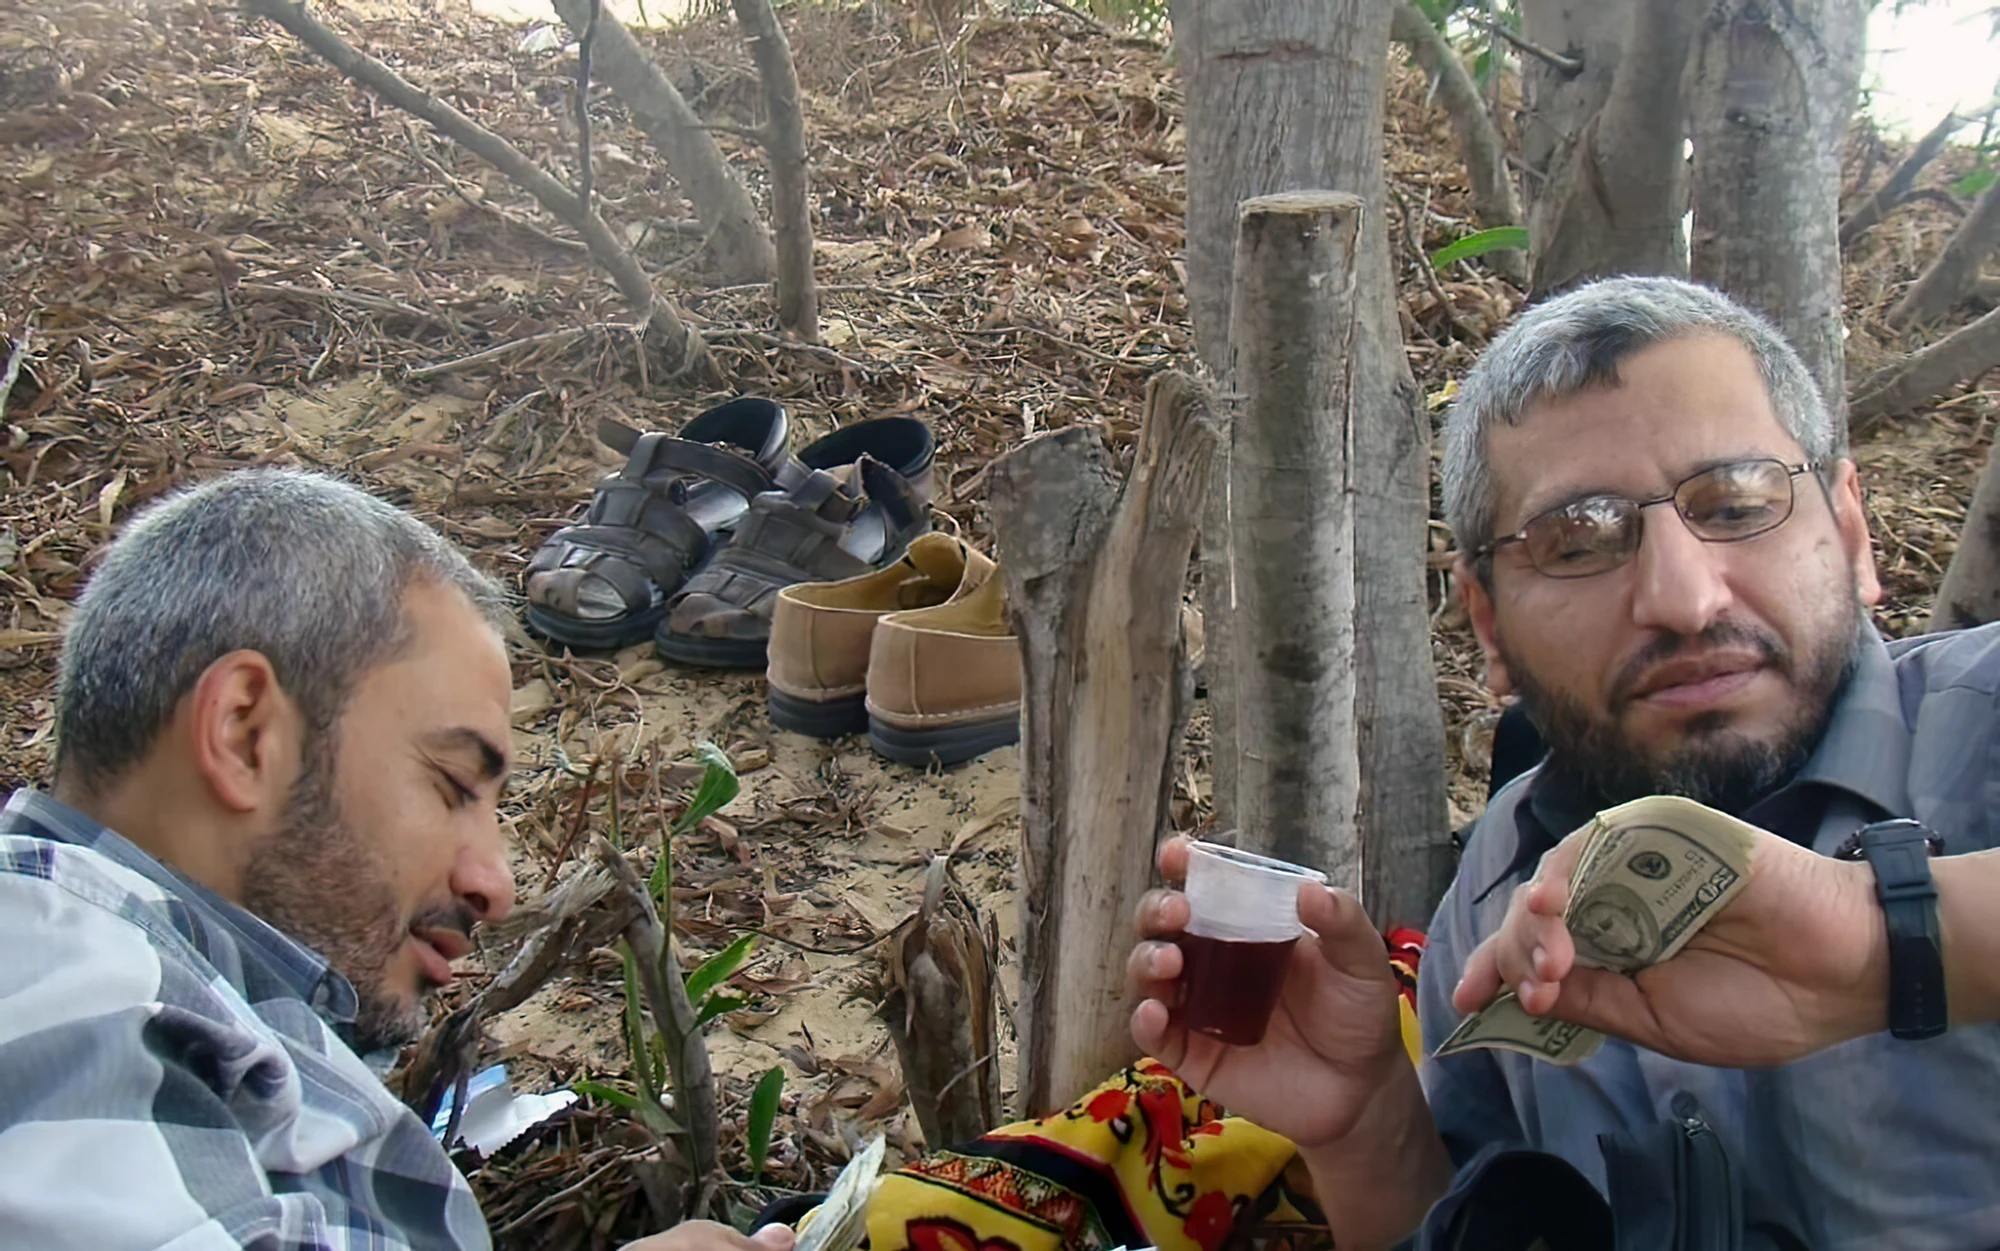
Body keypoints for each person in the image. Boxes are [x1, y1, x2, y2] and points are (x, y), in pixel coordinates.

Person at [1130, 276, 2000, 1249]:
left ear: (1847, 531)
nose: (1681, 598)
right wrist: (1364, 1122)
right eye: (1578, 540)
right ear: (1489, 623)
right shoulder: (1501, 887)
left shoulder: (1983, 719)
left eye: (1736, 502)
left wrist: (1881, 944)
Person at [0, 470, 791, 1251]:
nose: (497, 885)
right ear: (245, 734)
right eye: (451, 783)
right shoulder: (66, 982)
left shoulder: (155, 996)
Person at [1455, 812, 2000, 1068]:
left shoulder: (1982, 707)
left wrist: (1873, 935)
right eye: (1577, 572)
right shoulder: (1486, 877)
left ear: (1863, 574)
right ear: (1484, 616)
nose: (1686, 606)